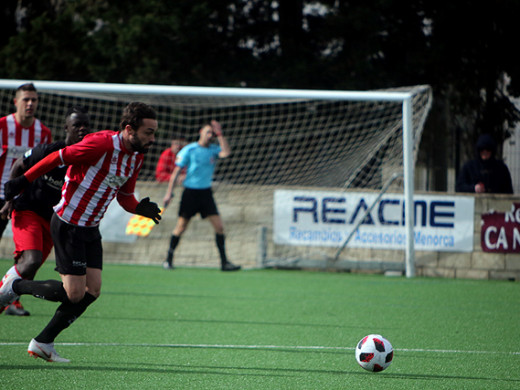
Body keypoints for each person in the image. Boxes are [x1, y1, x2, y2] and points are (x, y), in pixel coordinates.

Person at [0, 102, 161, 363]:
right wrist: (23, 180)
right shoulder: (101, 144)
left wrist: (139, 208)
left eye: (154, 132)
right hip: (68, 224)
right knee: (73, 293)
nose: (152, 139)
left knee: (92, 291)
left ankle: (43, 342)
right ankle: (15, 286)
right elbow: (57, 157)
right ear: (130, 129)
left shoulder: (137, 157)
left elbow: (126, 195)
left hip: (90, 228)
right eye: (148, 132)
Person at [0, 106, 91, 317]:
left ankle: (10, 301)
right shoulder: (48, 151)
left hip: (54, 221)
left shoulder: (88, 160)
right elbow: (19, 166)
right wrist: (10, 199)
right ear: (66, 127)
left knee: (30, 267)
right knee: (31, 261)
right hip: (28, 211)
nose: (82, 129)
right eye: (77, 125)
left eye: (86, 125)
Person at [162, 120, 240, 272]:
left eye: (212, 133)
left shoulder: (213, 149)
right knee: (181, 227)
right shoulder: (189, 150)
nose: (210, 135)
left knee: (219, 227)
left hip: (206, 194)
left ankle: (224, 263)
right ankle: (168, 259)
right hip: (190, 193)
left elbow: (226, 153)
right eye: (208, 132)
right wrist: (169, 193)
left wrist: (220, 134)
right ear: (201, 133)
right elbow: (175, 173)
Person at [0, 83, 52, 243]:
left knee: (30, 248)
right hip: (0, 194)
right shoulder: (2, 126)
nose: (30, 103)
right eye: (26, 99)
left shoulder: (43, 133)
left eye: (34, 100)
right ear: (16, 102)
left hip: (24, 199)